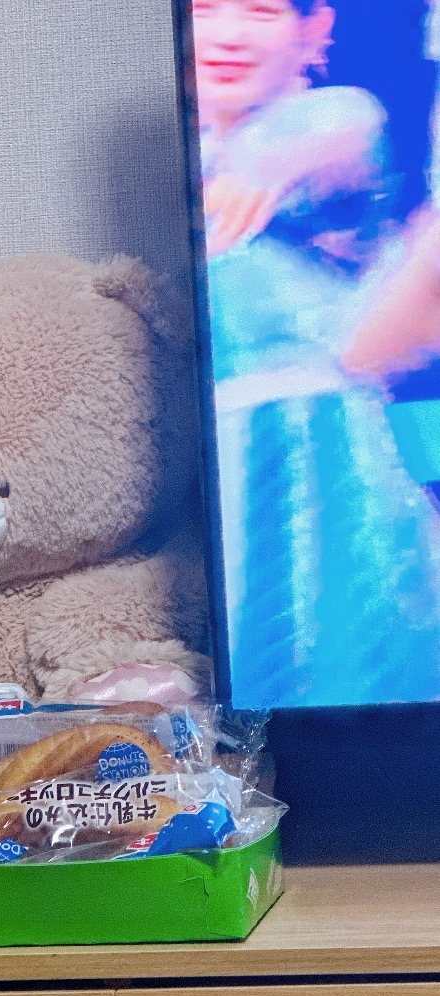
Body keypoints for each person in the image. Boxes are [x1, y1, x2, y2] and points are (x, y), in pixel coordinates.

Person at [187, 0, 440, 707]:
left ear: (314, 31)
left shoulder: (334, 116)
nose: (230, 35)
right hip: (219, 457)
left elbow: (331, 136)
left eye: (261, 11)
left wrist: (251, 168)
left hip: (324, 454)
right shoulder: (187, 151)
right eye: (204, 9)